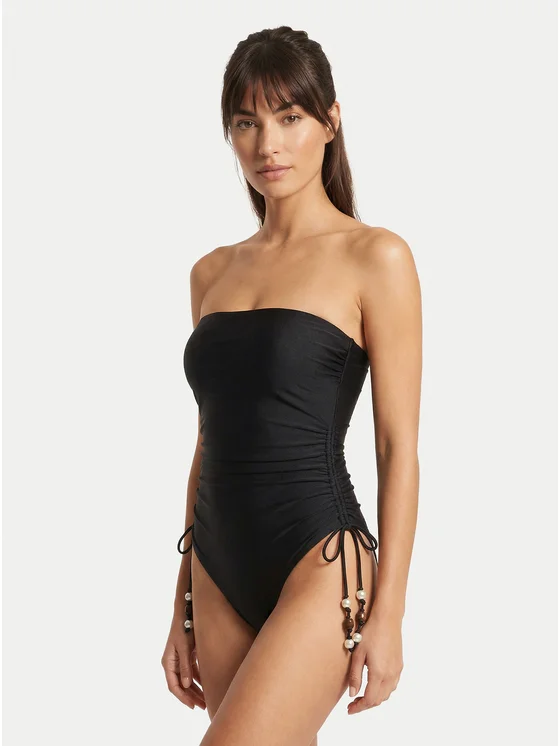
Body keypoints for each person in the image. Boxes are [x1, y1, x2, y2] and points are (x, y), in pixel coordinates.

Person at [161, 25, 422, 745]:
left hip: (321, 555)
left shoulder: (376, 257)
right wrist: (181, 599)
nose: (268, 145)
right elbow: (210, 438)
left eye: (289, 117)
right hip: (216, 563)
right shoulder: (212, 273)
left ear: (330, 121)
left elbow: (397, 447)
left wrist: (391, 613)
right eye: (247, 123)